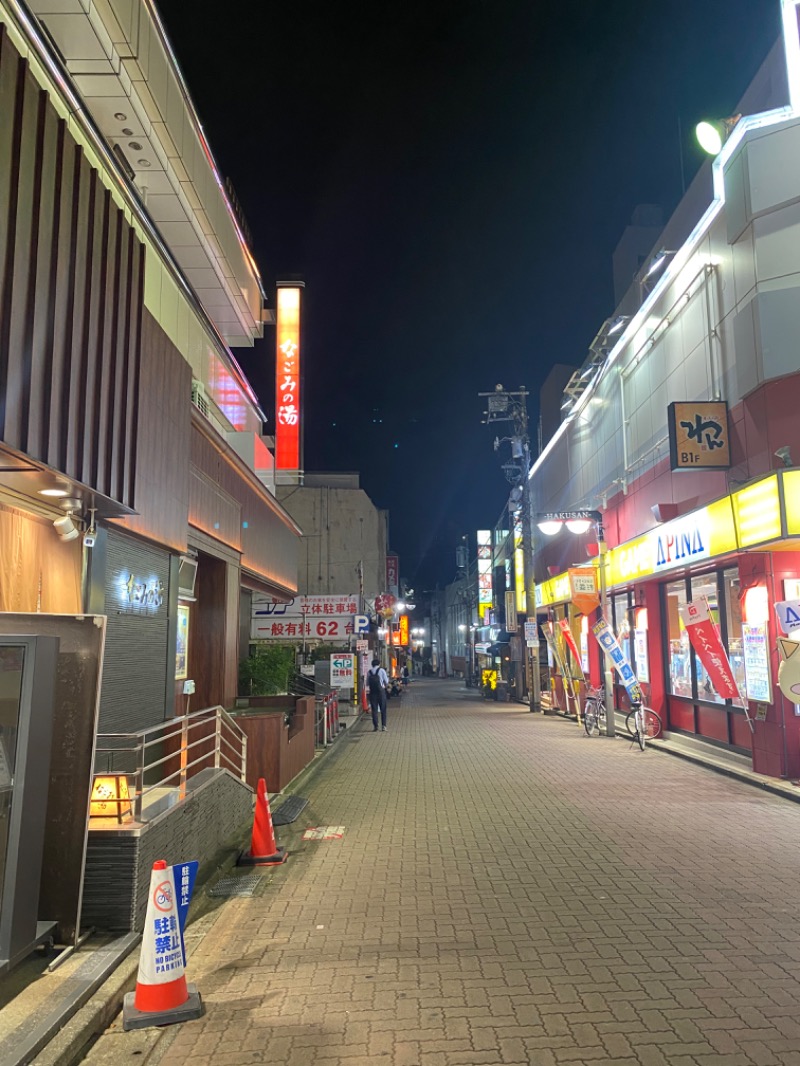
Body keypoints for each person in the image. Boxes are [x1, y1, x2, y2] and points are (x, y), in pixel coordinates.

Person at [367, 658, 389, 731]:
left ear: (372, 664)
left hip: (372, 692)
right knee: (383, 709)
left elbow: (367, 683)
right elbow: (386, 681)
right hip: (381, 692)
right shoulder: (382, 670)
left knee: (374, 709)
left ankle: (376, 726)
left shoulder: (369, 672)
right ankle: (384, 726)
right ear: (379, 664)